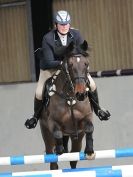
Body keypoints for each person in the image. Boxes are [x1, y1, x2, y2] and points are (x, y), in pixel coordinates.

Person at [25, 10, 110, 129]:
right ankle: (35, 117)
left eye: (66, 24)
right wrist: (64, 63)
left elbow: (82, 53)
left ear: (69, 24)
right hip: (51, 67)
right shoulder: (48, 38)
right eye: (61, 24)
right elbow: (49, 61)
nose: (64, 27)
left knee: (92, 84)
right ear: (56, 25)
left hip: (72, 67)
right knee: (39, 91)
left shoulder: (76, 34)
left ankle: (98, 110)